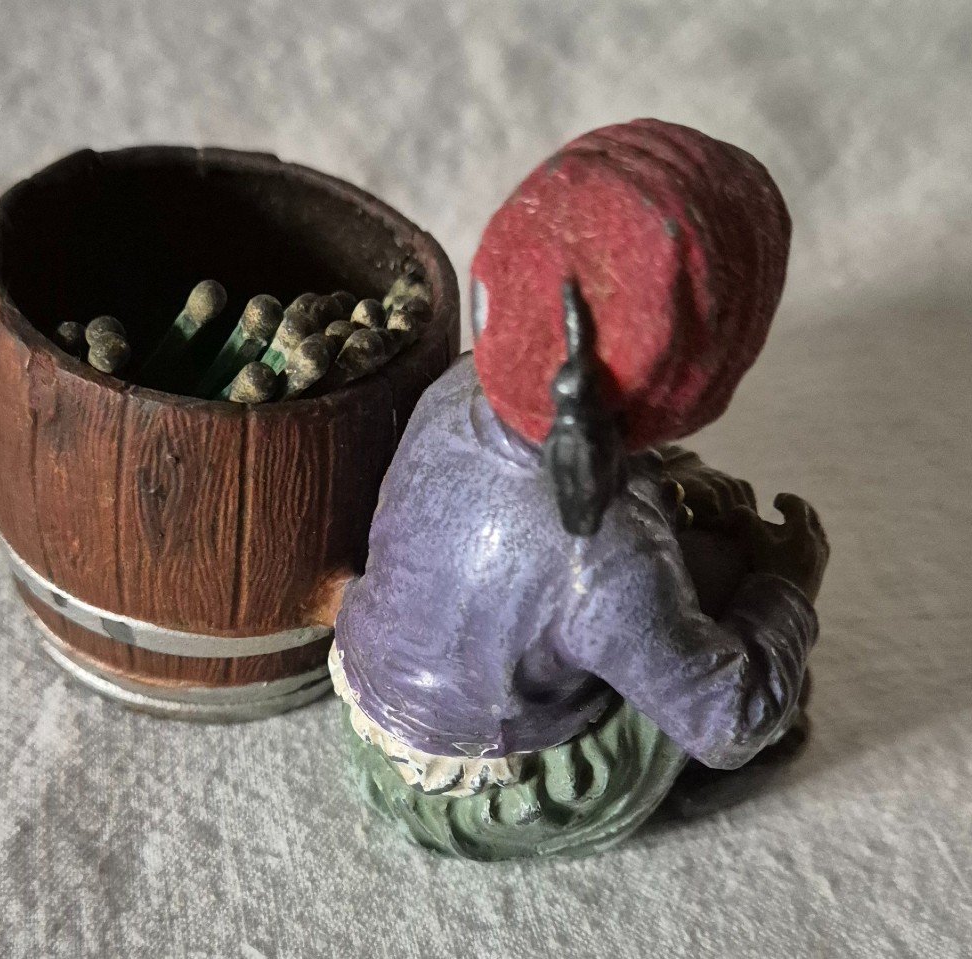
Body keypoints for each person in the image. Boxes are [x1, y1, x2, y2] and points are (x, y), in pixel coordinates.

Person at [329, 119, 829, 860]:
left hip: (370, 704)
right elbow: (730, 719)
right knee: (736, 621)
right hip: (484, 789)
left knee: (683, 540)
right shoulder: (609, 557)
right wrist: (789, 586)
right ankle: (643, 789)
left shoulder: (458, 383)